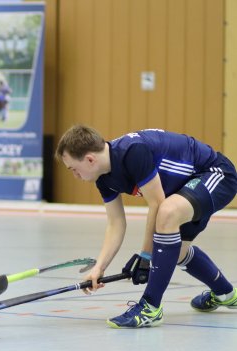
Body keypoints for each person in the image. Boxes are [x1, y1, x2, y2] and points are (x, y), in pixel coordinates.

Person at [55, 125, 237, 329]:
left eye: (73, 169)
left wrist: (146, 256)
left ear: (89, 159)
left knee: (167, 214)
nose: (75, 176)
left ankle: (150, 307)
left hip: (216, 174)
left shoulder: (133, 152)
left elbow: (157, 203)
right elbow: (116, 223)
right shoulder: (104, 179)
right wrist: (99, 268)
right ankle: (226, 294)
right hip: (183, 189)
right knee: (175, 253)